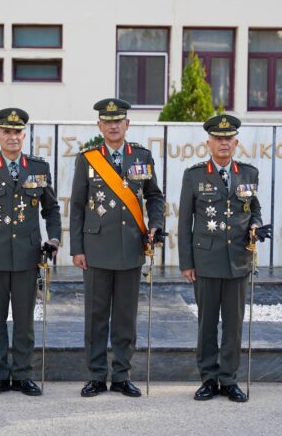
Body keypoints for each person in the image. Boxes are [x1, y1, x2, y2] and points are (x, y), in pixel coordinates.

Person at [70, 98, 165, 398]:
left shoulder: (142, 156)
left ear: (127, 124)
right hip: (96, 248)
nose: (113, 126)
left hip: (130, 248)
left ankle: (122, 375)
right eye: (107, 121)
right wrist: (77, 248)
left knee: (125, 317)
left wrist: (156, 225)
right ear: (99, 125)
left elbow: (154, 196)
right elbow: (76, 206)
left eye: (118, 121)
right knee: (96, 318)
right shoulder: (87, 159)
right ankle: (97, 376)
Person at [0, 108, 61, 397]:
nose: (12, 137)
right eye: (6, 132)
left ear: (24, 135)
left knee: (24, 320)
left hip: (26, 256)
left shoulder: (38, 168)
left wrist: (55, 239)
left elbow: (51, 209)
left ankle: (22, 374)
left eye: (17, 132)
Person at [177, 113, 266, 403]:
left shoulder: (248, 174)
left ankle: (229, 379)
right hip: (206, 262)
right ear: (209, 143)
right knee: (206, 324)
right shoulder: (194, 175)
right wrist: (186, 263)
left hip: (238, 261)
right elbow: (184, 223)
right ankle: (208, 379)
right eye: (218, 139)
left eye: (228, 139)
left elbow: (254, 209)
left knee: (233, 324)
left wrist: (255, 224)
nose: (223, 143)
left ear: (236, 142)